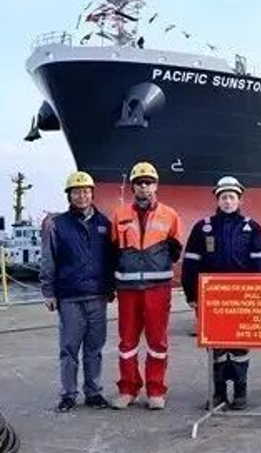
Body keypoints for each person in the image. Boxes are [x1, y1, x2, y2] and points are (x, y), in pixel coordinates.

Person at [182, 176, 261, 410]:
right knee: (216, 347)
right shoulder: (203, 227)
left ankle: (240, 391)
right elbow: (191, 263)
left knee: (240, 347)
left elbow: (260, 263)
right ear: (217, 200)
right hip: (212, 299)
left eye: (231, 197)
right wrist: (191, 294)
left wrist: (259, 294)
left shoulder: (251, 228)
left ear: (240, 200)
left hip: (242, 298)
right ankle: (219, 393)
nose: (227, 201)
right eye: (223, 197)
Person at [39, 171, 115, 412]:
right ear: (69, 196)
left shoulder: (104, 224)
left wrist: (110, 287)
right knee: (69, 349)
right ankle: (68, 395)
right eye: (76, 192)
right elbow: (48, 259)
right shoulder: (58, 225)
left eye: (86, 191)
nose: (81, 196)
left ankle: (94, 393)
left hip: (97, 296)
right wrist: (48, 292)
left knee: (94, 349)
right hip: (70, 297)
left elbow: (111, 259)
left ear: (92, 194)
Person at [110, 161, 183, 410]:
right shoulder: (119, 215)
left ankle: (156, 390)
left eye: (149, 183)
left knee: (157, 342)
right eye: (140, 183)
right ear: (133, 187)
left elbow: (175, 250)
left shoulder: (170, 215)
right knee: (127, 343)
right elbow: (113, 251)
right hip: (127, 289)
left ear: (156, 186)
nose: (144, 187)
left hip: (157, 288)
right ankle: (128, 389)